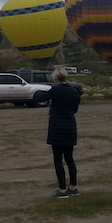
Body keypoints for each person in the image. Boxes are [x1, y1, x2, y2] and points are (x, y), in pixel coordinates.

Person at [32, 66, 82, 198]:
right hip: (70, 126)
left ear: (55, 78)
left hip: (57, 127)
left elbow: (39, 98)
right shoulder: (74, 92)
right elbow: (74, 109)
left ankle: (62, 189)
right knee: (70, 158)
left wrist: (37, 90)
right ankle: (73, 186)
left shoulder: (55, 90)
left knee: (58, 160)